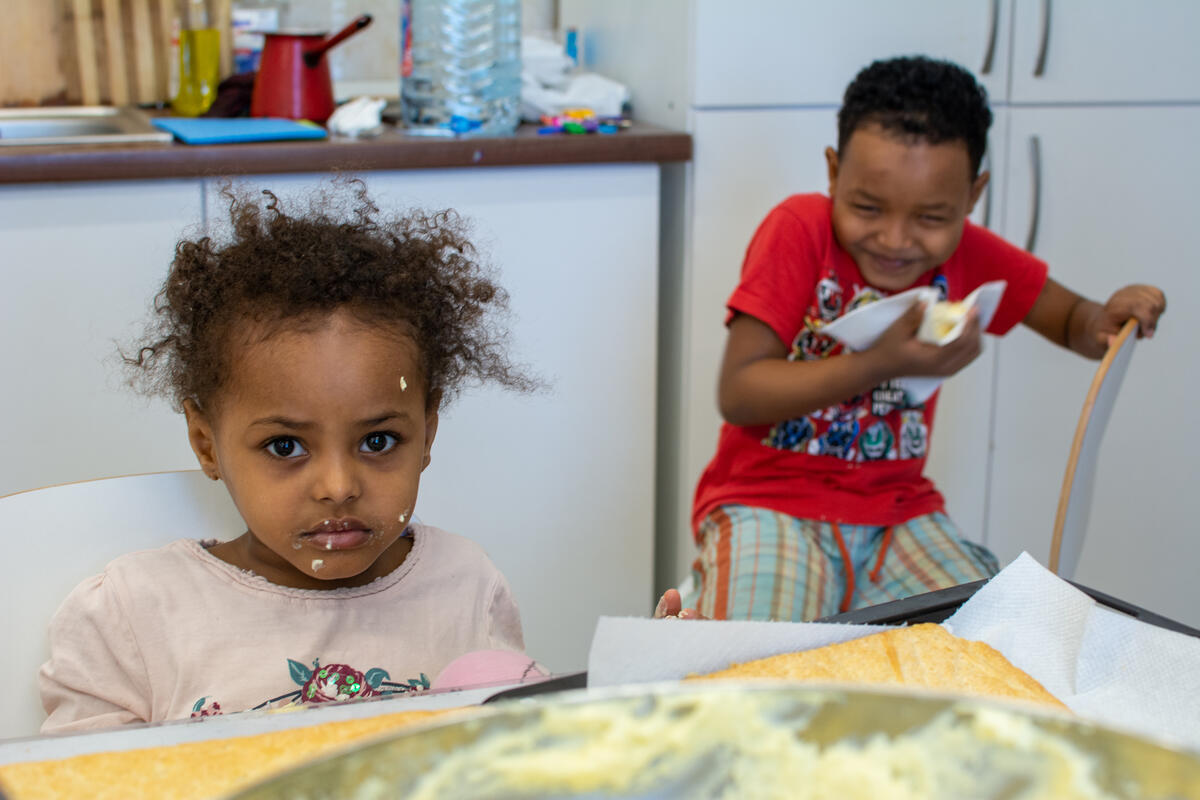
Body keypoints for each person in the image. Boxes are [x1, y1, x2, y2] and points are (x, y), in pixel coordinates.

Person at [657, 56, 1166, 622]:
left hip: (898, 517)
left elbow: (1072, 320)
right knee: (754, 670)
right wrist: (878, 363)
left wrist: (1107, 318)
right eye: (867, 207)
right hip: (769, 505)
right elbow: (740, 391)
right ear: (832, 173)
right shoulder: (799, 229)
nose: (895, 239)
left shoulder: (970, 252)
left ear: (973, 196)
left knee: (1001, 636)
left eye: (930, 218)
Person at [39, 181, 539, 732]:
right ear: (206, 443)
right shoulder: (134, 616)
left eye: (378, 441)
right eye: (285, 446)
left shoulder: (465, 585)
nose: (338, 485)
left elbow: (522, 759)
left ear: (428, 433)